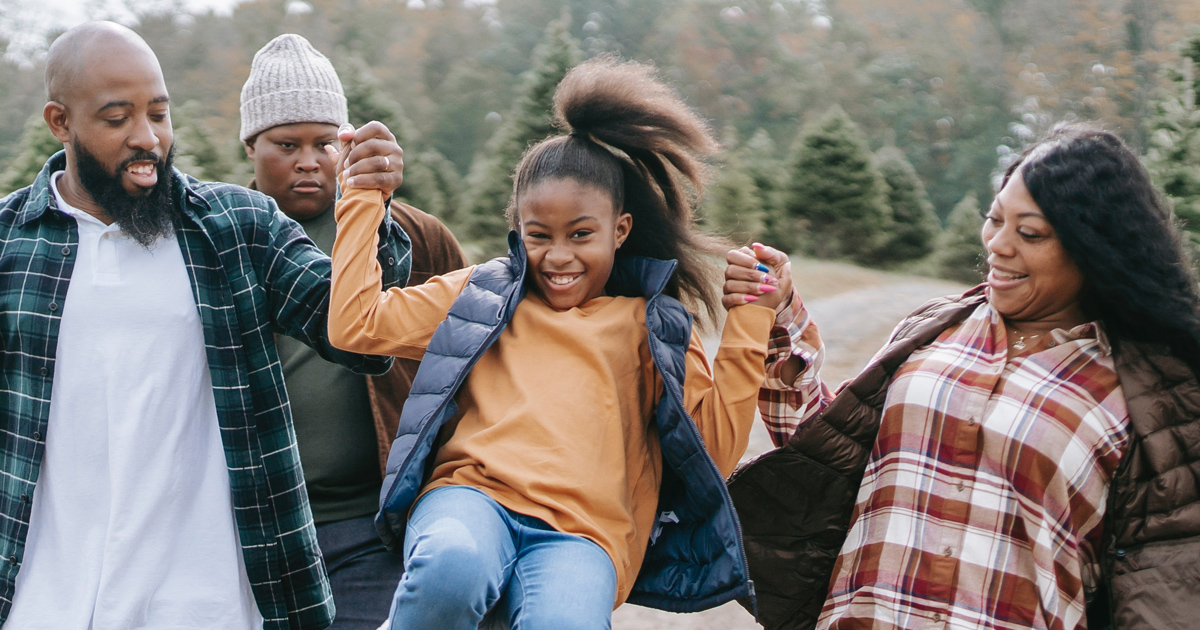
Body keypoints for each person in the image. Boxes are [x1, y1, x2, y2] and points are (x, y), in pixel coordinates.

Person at [325, 57, 810, 629]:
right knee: (450, 569)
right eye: (538, 236)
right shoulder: (482, 295)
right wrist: (360, 200)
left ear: (620, 230)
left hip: (584, 536)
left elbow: (715, 447)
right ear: (517, 229)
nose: (558, 256)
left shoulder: (653, 327)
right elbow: (355, 325)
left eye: (581, 235)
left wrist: (749, 319)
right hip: (471, 500)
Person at [0, 21, 411, 629]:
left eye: (159, 115)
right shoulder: (10, 245)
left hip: (204, 603)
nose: (148, 139)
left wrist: (365, 208)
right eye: (118, 119)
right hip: (44, 600)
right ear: (60, 122)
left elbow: (357, 332)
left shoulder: (235, 228)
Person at [730, 124, 1200, 630]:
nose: (998, 245)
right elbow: (823, 456)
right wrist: (781, 317)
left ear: (1095, 247)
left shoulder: (1146, 396)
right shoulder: (932, 332)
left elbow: (1166, 582)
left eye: (1031, 233)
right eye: (994, 220)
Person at [238, 34, 469, 629]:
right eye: (285, 144)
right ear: (250, 147)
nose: (308, 161)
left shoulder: (417, 237)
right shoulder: (223, 238)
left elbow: (474, 365)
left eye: (323, 143)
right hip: (253, 530)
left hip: (372, 528)